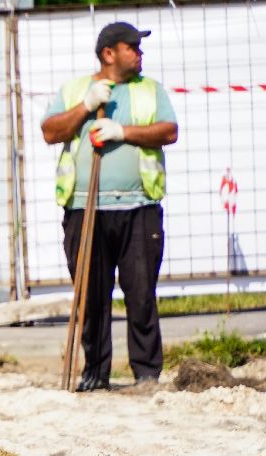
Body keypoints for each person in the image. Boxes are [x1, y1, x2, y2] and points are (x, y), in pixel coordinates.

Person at [41, 21, 179, 392]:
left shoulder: (150, 91)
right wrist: (86, 107)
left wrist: (124, 132)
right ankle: (95, 373)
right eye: (132, 47)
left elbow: (169, 131)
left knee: (140, 293)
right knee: (91, 296)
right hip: (85, 209)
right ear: (109, 53)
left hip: (139, 208)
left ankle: (147, 373)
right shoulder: (75, 90)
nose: (139, 53)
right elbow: (51, 131)